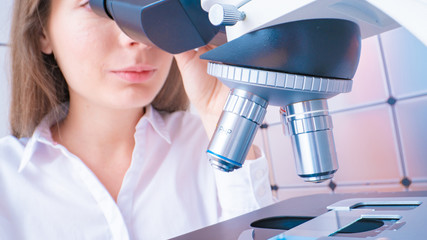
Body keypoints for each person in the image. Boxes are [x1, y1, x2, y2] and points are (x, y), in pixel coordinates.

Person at [0, 0, 273, 239]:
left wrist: (226, 123)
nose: (137, 38)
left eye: (149, 3)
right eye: (98, 5)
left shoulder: (208, 143)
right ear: (41, 31)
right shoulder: (7, 181)